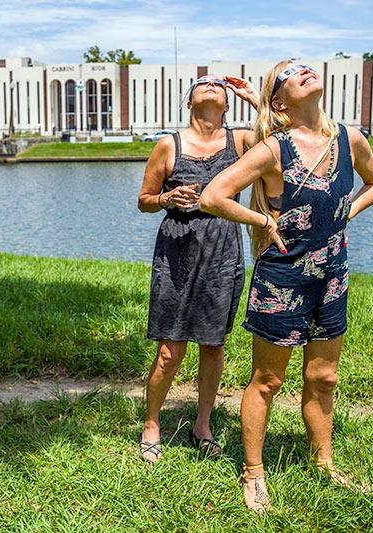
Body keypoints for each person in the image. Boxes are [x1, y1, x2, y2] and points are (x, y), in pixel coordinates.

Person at [200, 61, 373, 511]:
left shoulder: (350, 139)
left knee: (323, 377)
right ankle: (253, 474)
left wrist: (349, 213)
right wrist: (263, 218)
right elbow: (212, 196)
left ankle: (322, 464)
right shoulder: (273, 150)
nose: (305, 71)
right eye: (291, 72)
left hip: (333, 276)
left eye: (307, 66)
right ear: (280, 101)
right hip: (282, 277)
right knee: (267, 380)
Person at [136, 74, 259, 463]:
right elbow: (143, 200)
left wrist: (256, 100)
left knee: (212, 344)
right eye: (201, 83)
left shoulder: (240, 141)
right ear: (189, 102)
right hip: (177, 251)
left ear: (227, 103)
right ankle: (152, 423)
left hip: (223, 250)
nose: (210, 85)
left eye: (218, 86)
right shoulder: (167, 144)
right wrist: (166, 197)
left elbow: (284, 137)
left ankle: (201, 425)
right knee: (171, 350)